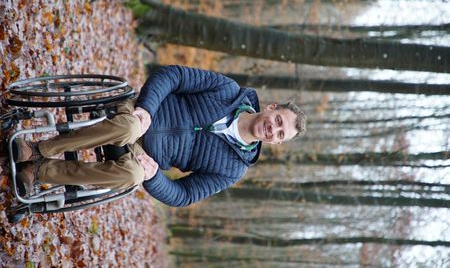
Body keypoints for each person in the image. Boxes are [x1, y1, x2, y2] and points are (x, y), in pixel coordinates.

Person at [14, 65, 306, 207]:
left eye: (280, 133)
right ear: (271, 108)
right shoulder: (228, 90)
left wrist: (154, 177)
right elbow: (174, 76)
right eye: (278, 120)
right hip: (137, 114)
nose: (274, 128)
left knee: (132, 175)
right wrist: (147, 111)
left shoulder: (233, 170)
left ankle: (42, 172)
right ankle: (40, 148)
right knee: (128, 128)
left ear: (276, 142)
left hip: (145, 155)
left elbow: (185, 195)